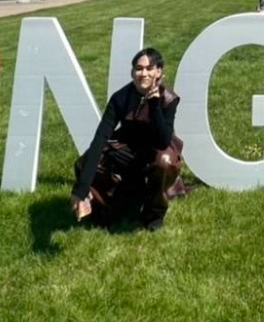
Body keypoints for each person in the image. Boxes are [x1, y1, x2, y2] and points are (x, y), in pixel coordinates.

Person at [71, 47, 184, 231]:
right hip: (127, 148)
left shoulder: (168, 99)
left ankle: (153, 217)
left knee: (164, 162)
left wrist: (154, 104)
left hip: (156, 150)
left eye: (149, 68)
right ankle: (109, 207)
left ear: (159, 71)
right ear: (132, 72)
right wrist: (81, 188)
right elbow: (101, 137)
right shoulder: (120, 98)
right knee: (85, 162)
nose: (143, 73)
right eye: (138, 68)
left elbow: (163, 140)